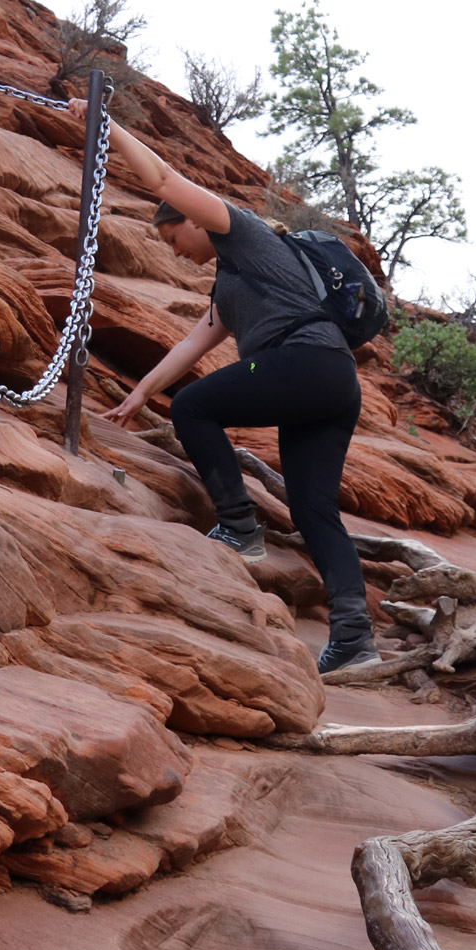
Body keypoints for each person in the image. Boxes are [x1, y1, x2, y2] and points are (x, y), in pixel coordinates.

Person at [73, 99, 379, 676]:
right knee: (314, 512)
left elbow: (162, 177)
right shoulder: (234, 281)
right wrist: (140, 393)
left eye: (171, 238)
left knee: (194, 406)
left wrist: (106, 125)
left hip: (306, 362)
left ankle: (239, 527)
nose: (174, 251)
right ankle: (354, 637)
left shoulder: (240, 231)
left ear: (191, 219)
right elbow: (194, 343)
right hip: (330, 381)